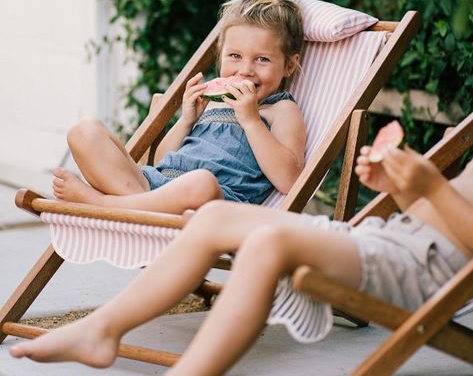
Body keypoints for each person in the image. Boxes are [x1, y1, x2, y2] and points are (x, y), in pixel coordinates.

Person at [9, 139, 473, 375]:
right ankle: (100, 331)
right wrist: (403, 188)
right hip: (385, 240)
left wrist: (430, 185)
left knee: (268, 243)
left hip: (417, 269)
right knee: (212, 217)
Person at [50, 0, 306, 215]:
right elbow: (160, 163)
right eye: (235, 56)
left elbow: (289, 180)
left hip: (213, 202)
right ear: (221, 55)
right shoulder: (213, 101)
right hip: (158, 189)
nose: (245, 70)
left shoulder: (281, 110)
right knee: (84, 131)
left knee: (202, 182)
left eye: (262, 59)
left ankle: (99, 204)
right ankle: (132, 207)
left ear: (289, 65)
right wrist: (186, 120)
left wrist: (251, 121)